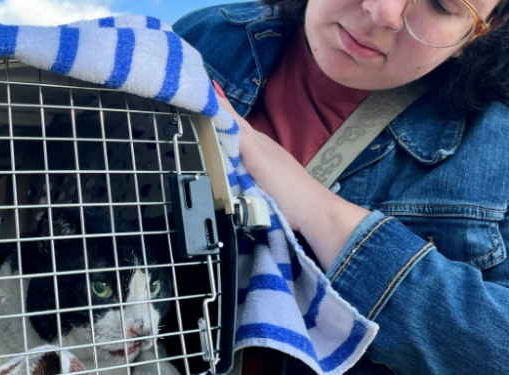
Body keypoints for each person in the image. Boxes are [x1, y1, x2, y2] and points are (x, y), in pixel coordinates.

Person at [173, 0, 509, 374]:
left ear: (486, 28)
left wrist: (319, 211)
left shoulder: (498, 151)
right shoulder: (205, 37)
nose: (382, 11)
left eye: (440, 4)